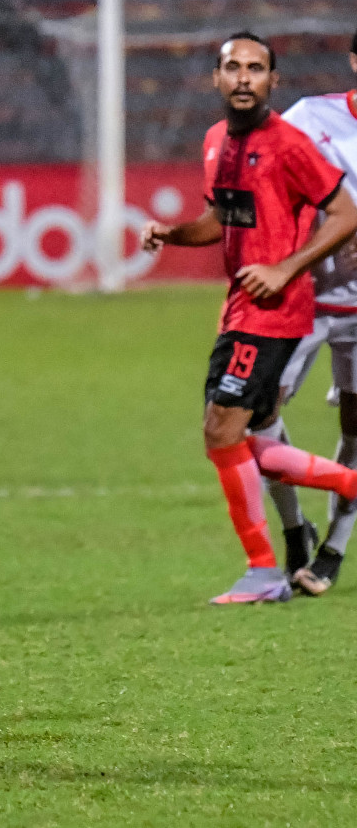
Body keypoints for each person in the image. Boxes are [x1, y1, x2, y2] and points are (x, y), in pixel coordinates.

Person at [141, 32, 357, 604]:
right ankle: (342, 493)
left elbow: (344, 212)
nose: (243, 78)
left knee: (222, 431)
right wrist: (173, 233)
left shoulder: (288, 144)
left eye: (255, 68)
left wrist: (286, 269)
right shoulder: (216, 142)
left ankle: (263, 570)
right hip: (240, 308)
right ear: (216, 77)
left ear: (272, 81)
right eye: (232, 67)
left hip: (277, 312)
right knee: (246, 434)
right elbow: (220, 221)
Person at [254, 31, 357, 597]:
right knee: (257, 412)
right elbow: (268, 182)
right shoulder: (308, 119)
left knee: (355, 429)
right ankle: (295, 526)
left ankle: (333, 549)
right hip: (305, 298)